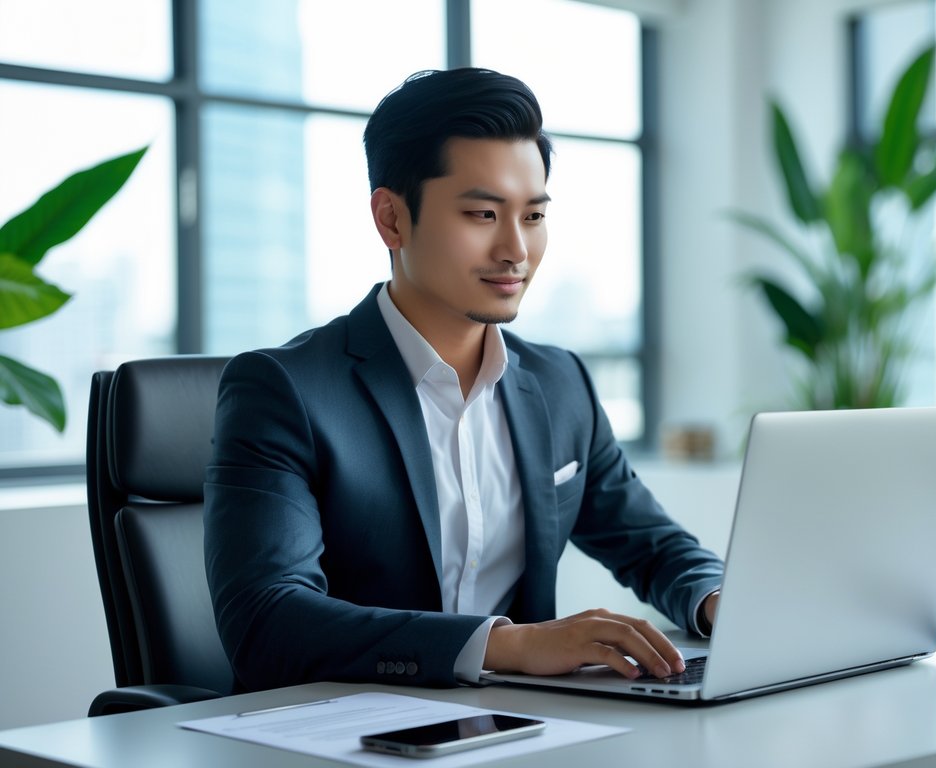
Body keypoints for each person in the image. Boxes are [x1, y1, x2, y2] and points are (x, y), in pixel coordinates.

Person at [203, 68, 724, 692]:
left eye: (533, 215)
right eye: (483, 213)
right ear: (392, 220)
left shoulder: (559, 383)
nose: (516, 250)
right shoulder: (285, 390)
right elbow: (268, 624)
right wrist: (509, 645)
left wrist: (718, 601)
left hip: (527, 725)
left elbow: (652, 545)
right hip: (348, 725)